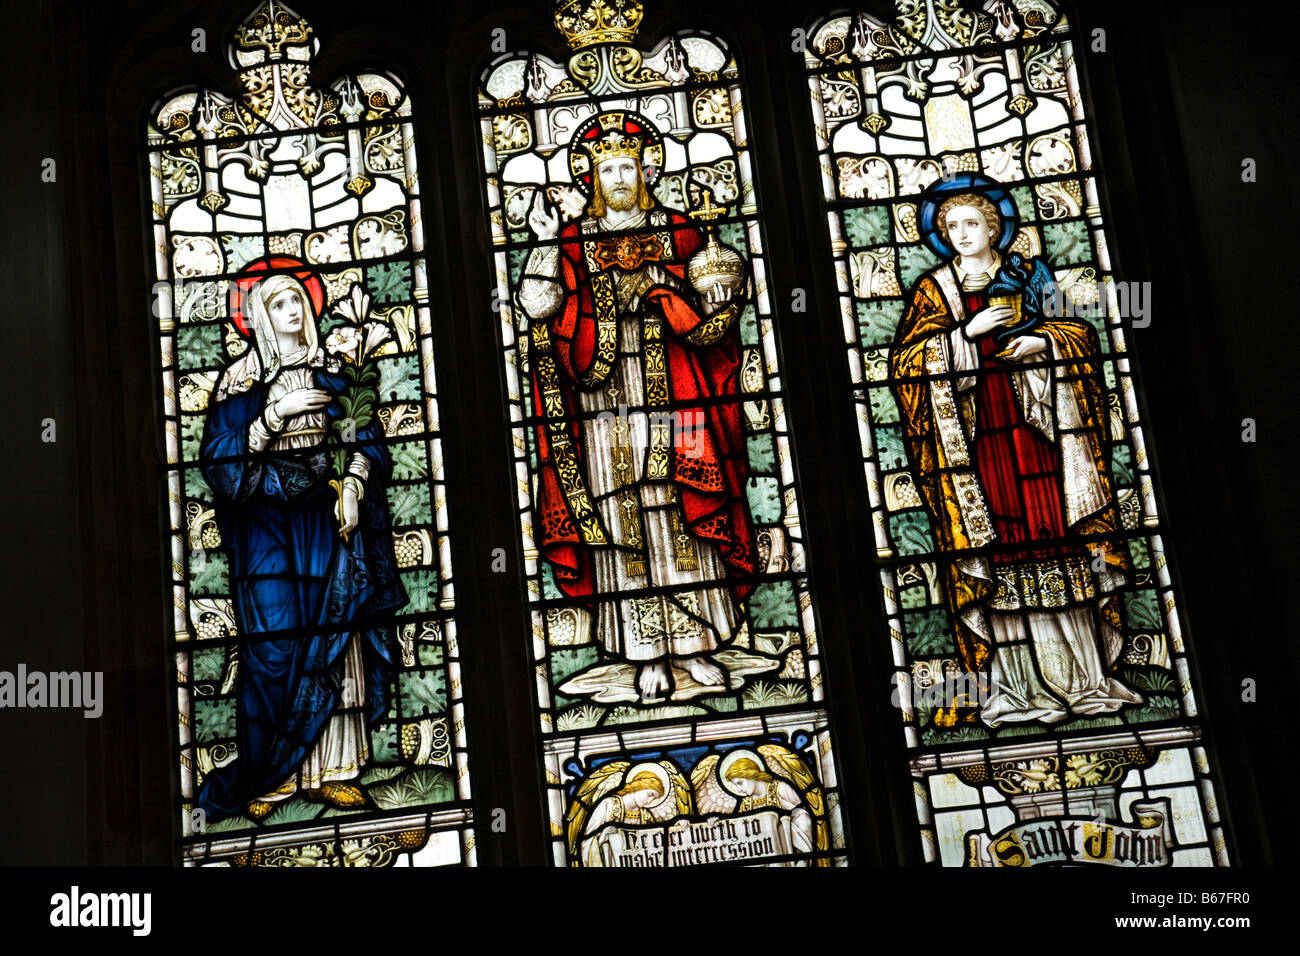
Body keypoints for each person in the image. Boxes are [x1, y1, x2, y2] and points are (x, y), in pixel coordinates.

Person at [517, 113, 757, 703]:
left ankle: (698, 643)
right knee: (621, 515)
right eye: (607, 169)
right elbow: (537, 307)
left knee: (677, 504)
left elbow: (719, 302)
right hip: (603, 397)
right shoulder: (572, 238)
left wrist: (710, 291)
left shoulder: (680, 232)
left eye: (628, 165)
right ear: (592, 178)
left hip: (676, 392)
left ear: (647, 171)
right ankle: (645, 651)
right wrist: (545, 241)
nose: (619, 176)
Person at [890, 178, 1142, 727]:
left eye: (971, 224)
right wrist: (962, 335)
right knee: (997, 549)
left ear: (994, 226)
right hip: (977, 442)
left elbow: (1080, 336)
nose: (961, 234)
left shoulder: (1028, 275)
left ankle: (1085, 679)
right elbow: (904, 368)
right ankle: (1018, 689)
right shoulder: (935, 290)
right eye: (950, 227)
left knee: (1059, 539)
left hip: (1042, 435)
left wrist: (1044, 343)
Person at [196, 265, 406, 822]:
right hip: (268, 534)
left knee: (338, 637)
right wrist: (272, 417)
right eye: (280, 303)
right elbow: (219, 462)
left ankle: (335, 769)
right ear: (261, 318)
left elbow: (369, 442)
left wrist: (356, 485)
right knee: (275, 644)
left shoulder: (337, 375)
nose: (294, 310)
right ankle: (274, 771)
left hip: (330, 522)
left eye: (298, 300)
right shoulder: (240, 384)